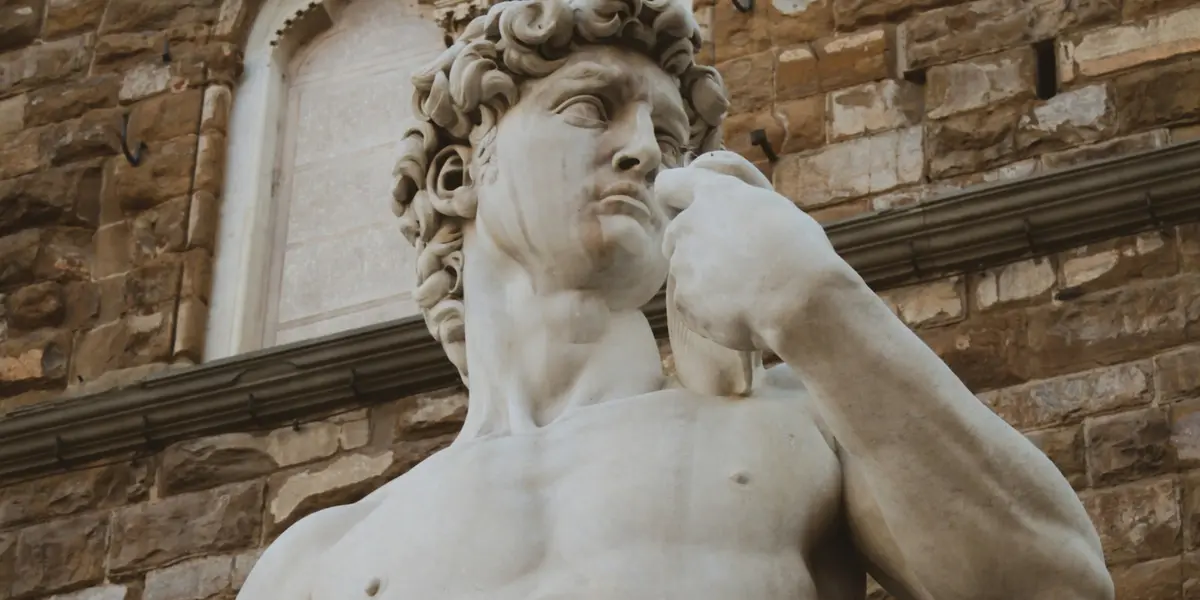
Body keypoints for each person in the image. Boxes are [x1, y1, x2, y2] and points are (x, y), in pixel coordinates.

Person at [237, 0, 1114, 597]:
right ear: (461, 171)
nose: (646, 153)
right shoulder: (317, 563)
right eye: (592, 109)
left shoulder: (796, 426)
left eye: (665, 133)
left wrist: (817, 306)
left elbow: (1056, 586)